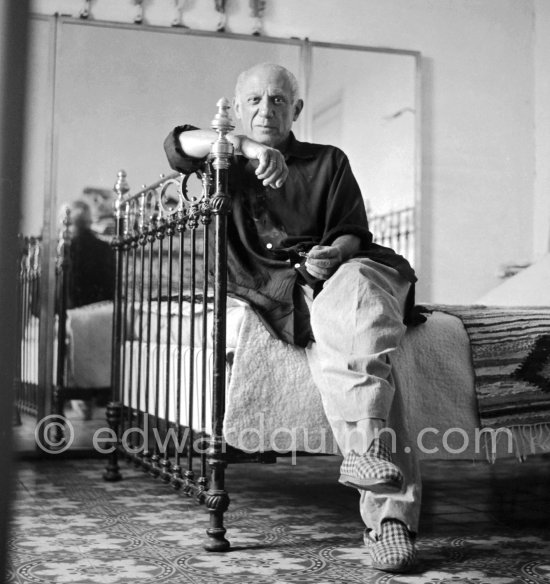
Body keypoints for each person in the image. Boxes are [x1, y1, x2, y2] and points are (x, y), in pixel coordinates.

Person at [164, 63, 421, 573]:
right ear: (238, 110)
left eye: (279, 100)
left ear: (296, 109)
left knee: (359, 299)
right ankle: (388, 513)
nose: (266, 109)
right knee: (358, 342)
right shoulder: (225, 161)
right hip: (284, 286)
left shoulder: (329, 161)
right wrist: (257, 151)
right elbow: (175, 145)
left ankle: (377, 482)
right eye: (255, 100)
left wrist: (332, 252)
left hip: (348, 271)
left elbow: (353, 232)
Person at [65, 200, 115, 420]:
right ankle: (95, 395)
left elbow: (66, 286)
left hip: (74, 309)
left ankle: (80, 397)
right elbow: (110, 283)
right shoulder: (103, 247)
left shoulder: (68, 247)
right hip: (101, 309)